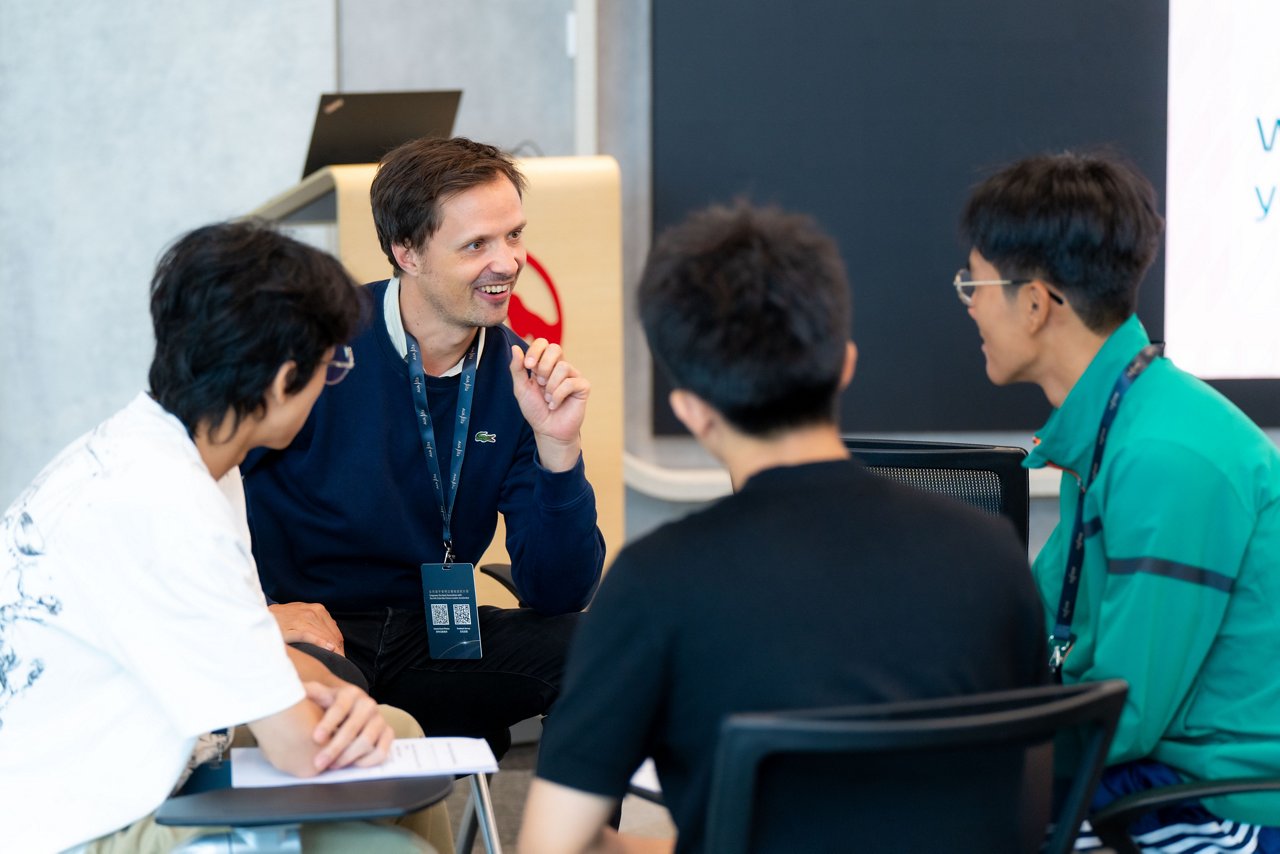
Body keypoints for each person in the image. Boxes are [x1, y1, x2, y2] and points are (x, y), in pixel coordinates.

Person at [519, 202, 1046, 854]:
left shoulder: (654, 584)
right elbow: (1027, 804)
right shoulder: (991, 553)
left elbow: (552, 845)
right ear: (845, 365)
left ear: (690, 410)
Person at [0, 221, 448, 852]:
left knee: (395, 732)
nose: (331, 382)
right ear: (282, 380)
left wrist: (342, 699)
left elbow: (248, 641)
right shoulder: (163, 504)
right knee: (392, 846)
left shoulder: (185, 452)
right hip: (86, 817)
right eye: (331, 365)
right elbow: (295, 750)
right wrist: (330, 710)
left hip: (148, 749)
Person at [956, 151, 1280, 851]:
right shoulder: (1113, 423)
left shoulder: (1166, 455)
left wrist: (955, 751)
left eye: (975, 285)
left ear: (1036, 303)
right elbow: (1035, 632)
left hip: (1226, 805)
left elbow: (1122, 714)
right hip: (1154, 772)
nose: (971, 304)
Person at [242, 136, 605, 757]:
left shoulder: (518, 376)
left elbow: (558, 593)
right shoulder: (311, 343)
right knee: (338, 714)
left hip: (436, 635)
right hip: (313, 631)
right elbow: (199, 487)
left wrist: (558, 450)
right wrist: (250, 616)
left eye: (513, 235)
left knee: (606, 655)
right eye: (476, 245)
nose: (508, 262)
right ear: (405, 252)